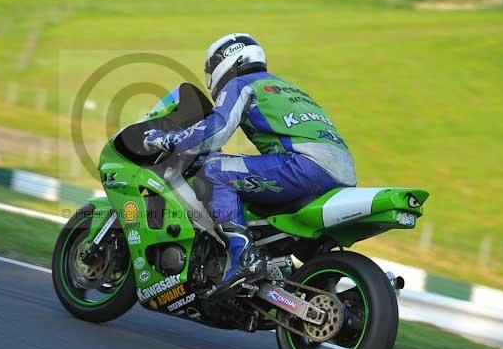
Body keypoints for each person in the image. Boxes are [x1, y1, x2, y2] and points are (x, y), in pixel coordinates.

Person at [143, 33, 357, 295]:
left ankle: (245, 258)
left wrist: (170, 141)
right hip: (342, 174)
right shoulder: (290, 89)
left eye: (211, 70)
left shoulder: (243, 84)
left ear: (227, 61)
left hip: (304, 166)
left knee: (213, 170)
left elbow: (216, 129)